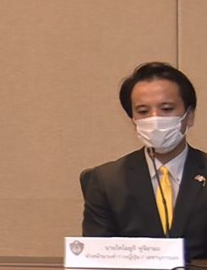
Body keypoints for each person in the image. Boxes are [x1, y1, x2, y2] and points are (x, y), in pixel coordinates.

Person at [82, 62, 207, 259]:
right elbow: (98, 258)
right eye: (143, 111)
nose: (155, 119)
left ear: (189, 116)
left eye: (166, 109)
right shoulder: (106, 181)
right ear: (133, 120)